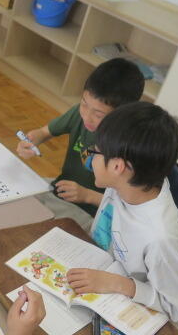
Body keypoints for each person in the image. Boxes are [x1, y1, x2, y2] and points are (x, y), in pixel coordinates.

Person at [66, 102, 178, 326]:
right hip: (103, 268)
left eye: (95, 152)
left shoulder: (160, 239)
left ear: (118, 167)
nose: (90, 159)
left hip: (132, 309)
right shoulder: (129, 183)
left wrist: (119, 284)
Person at [16, 58, 144, 230]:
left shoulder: (131, 146)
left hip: (93, 213)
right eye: (84, 104)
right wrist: (32, 140)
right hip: (60, 192)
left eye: (98, 115)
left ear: (123, 114)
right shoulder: (80, 114)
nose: (87, 117)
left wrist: (87, 195)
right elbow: (44, 132)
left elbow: (129, 209)